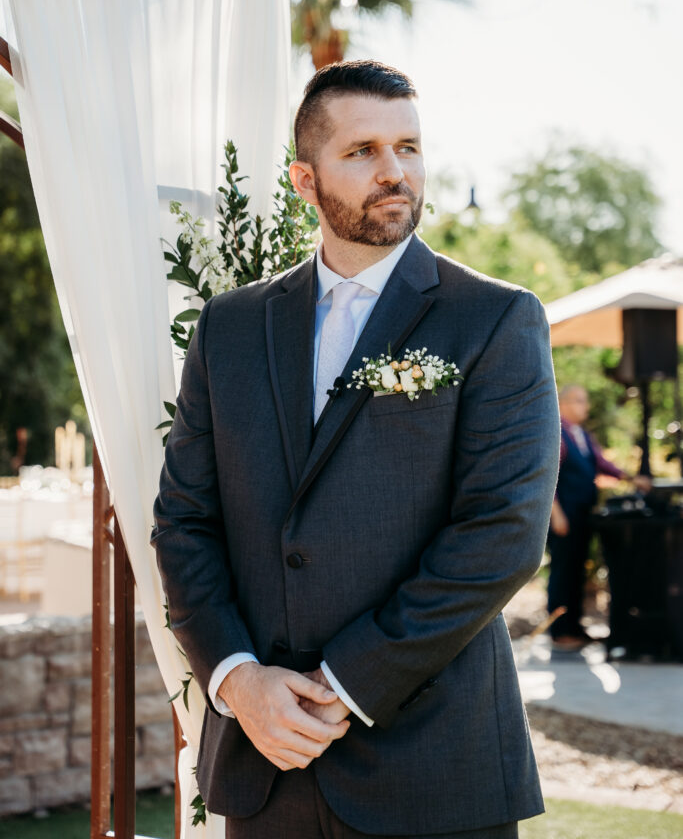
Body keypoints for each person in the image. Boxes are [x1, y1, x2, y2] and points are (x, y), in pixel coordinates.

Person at [152, 60, 560, 839]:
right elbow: (184, 520)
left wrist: (341, 686)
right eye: (362, 151)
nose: (393, 171)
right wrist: (238, 682)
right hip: (266, 763)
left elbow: (501, 535)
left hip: (432, 761)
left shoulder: (495, 319)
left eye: (407, 147)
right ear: (305, 181)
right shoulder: (230, 328)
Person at [548, 384, 652, 651]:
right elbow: (548, 477)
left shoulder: (581, 433)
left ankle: (574, 626)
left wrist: (631, 479)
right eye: (580, 401)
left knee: (577, 570)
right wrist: (555, 514)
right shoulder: (556, 432)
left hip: (584, 513)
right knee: (563, 572)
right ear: (564, 404)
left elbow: (601, 463)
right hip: (565, 515)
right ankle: (559, 631)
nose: (586, 406)